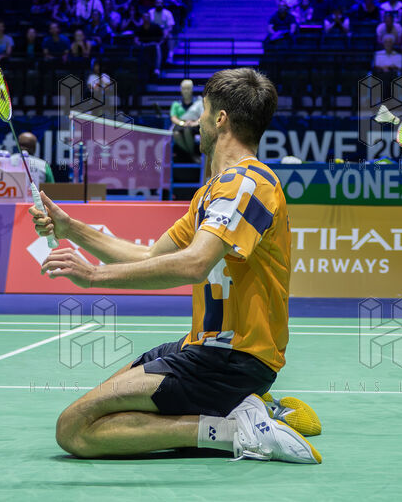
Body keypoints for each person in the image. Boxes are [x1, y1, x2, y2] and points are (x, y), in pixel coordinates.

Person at [31, 68, 321, 463]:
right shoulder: (212, 193)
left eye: (203, 112)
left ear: (220, 119)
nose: (198, 122)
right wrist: (71, 228)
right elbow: (151, 256)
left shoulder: (248, 184)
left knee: (75, 428)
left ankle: (237, 431)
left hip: (232, 358)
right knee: (107, 411)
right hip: (200, 347)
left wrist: (94, 275)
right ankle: (250, 409)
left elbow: (194, 264)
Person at [170, 79, 204, 158]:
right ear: (181, 90)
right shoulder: (176, 104)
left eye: (188, 88)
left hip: (195, 125)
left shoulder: (198, 102)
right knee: (176, 133)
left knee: (187, 130)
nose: (186, 91)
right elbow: (173, 118)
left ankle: (192, 156)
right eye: (184, 89)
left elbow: (203, 117)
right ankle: (192, 155)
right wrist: (182, 123)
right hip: (181, 125)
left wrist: (194, 123)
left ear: (191, 90)